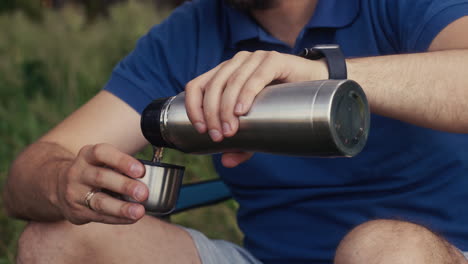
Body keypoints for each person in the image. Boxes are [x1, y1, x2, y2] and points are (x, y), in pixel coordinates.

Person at [4, 0, 468, 263]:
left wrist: (322, 75)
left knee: (384, 252)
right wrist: (65, 181)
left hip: (425, 254)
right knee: (55, 241)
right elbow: (29, 172)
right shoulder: (188, 33)